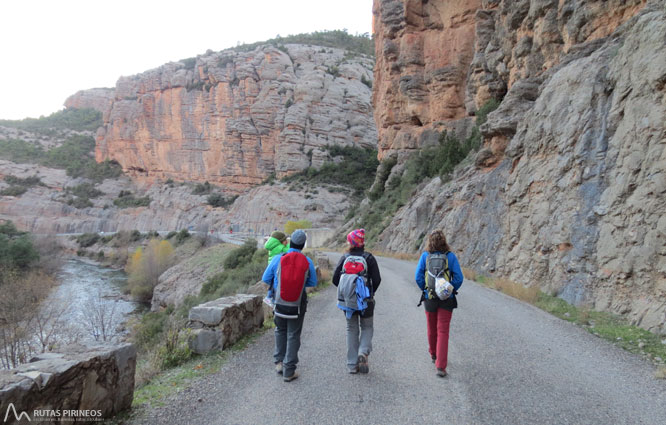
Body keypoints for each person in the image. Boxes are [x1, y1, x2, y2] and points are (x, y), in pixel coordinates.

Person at [262, 229, 317, 382]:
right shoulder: (307, 261)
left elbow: (265, 278)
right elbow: (313, 282)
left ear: (290, 241)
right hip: (297, 304)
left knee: (280, 330)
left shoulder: (278, 259)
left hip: (279, 302)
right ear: (302, 245)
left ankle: (279, 363)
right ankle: (289, 370)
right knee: (293, 334)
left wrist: (278, 285)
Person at [415, 230, 463, 377]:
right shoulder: (450, 257)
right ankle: (441, 367)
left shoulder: (425, 256)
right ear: (444, 241)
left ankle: (434, 354)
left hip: (430, 297)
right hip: (446, 299)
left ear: (430, 241)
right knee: (443, 331)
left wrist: (426, 289)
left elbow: (418, 277)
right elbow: (459, 278)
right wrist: (448, 289)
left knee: (431, 327)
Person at [332, 229, 381, 374]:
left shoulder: (345, 257)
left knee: (351, 329)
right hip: (366, 301)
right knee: (367, 327)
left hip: (348, 302)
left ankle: (352, 365)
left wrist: (348, 291)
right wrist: (368, 293)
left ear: (351, 243)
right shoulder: (369, 258)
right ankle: (363, 352)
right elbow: (377, 279)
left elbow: (335, 280)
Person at [263, 231, 290, 306]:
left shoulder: (272, 247)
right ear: (280, 241)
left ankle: (269, 297)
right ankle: (269, 297)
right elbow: (288, 250)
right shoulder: (280, 248)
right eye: (285, 241)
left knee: (272, 281)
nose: (286, 242)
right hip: (277, 266)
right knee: (275, 282)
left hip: (271, 265)